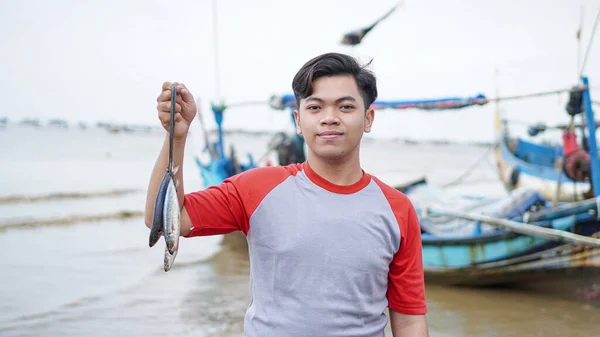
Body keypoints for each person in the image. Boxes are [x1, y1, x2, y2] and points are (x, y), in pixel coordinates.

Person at [145, 52, 429, 337]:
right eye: (315, 107)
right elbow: (164, 220)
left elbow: (409, 318)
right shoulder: (256, 188)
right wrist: (176, 137)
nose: (329, 118)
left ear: (368, 118)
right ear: (297, 120)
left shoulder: (398, 209)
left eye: (345, 107)